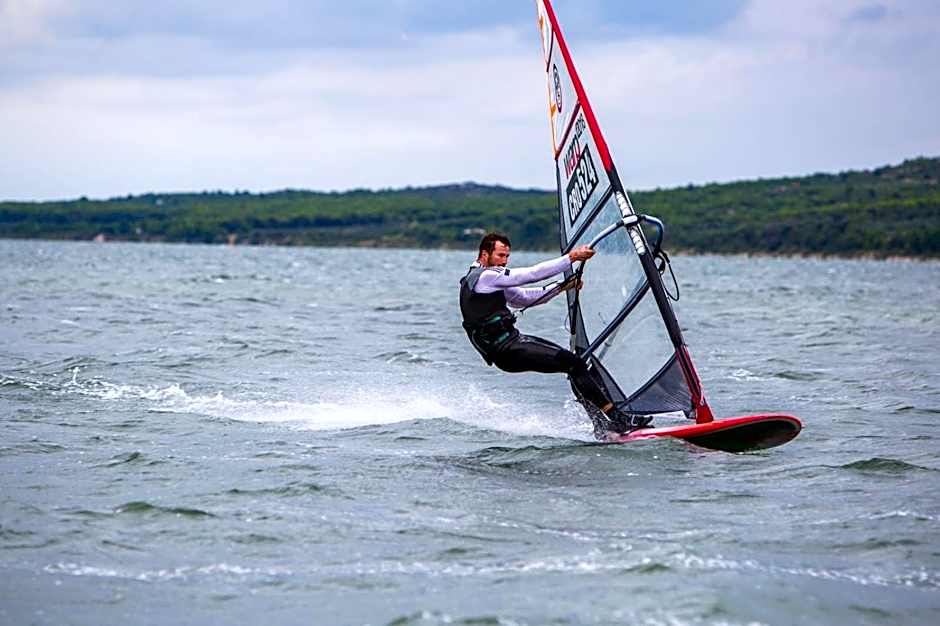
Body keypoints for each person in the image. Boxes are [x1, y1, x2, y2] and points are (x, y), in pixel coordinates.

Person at [458, 232, 652, 437]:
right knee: (574, 364)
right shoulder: (485, 277)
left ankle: (602, 426)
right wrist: (572, 257)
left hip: (511, 344)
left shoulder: (489, 280)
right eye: (500, 256)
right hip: (506, 350)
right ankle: (618, 419)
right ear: (484, 254)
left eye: (507, 256)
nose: (504, 261)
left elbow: (523, 298)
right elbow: (531, 274)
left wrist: (561, 287)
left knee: (574, 365)